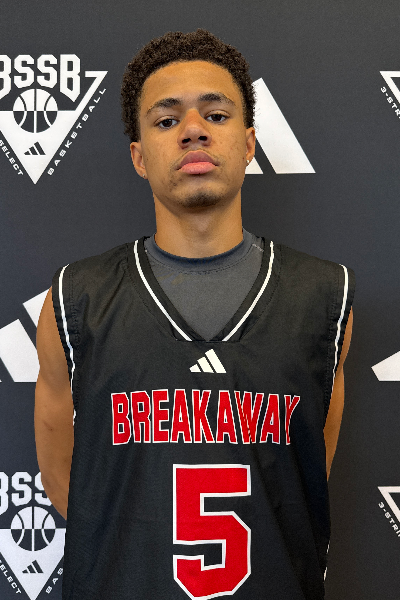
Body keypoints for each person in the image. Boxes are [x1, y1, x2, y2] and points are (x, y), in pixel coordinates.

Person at [35, 29, 354, 600]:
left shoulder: (323, 297)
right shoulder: (75, 298)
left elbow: (306, 467)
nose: (193, 130)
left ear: (249, 143)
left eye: (216, 114)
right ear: (139, 157)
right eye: (166, 120)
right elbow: (68, 482)